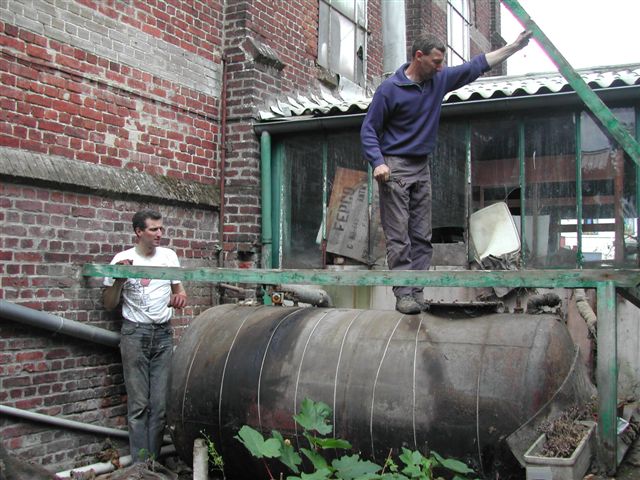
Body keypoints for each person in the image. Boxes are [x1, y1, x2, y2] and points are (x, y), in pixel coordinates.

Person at [361, 31, 532, 314]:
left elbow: (476, 65)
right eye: (436, 61)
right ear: (419, 57)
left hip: (421, 166)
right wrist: (377, 162)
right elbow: (369, 129)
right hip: (394, 166)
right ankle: (403, 293)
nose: (441, 67)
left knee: (421, 236)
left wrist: (513, 47)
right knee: (398, 237)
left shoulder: (437, 80)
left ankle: (417, 291)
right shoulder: (389, 89)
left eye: (443, 62)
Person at [103, 209, 187, 462]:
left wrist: (179, 298)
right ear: (139, 232)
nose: (159, 234)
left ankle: (151, 465)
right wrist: (119, 278)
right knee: (138, 405)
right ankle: (140, 467)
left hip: (162, 334)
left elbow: (180, 291)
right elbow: (108, 304)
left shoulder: (169, 257)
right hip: (134, 334)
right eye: (153, 229)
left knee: (159, 407)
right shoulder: (122, 259)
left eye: (161, 228)